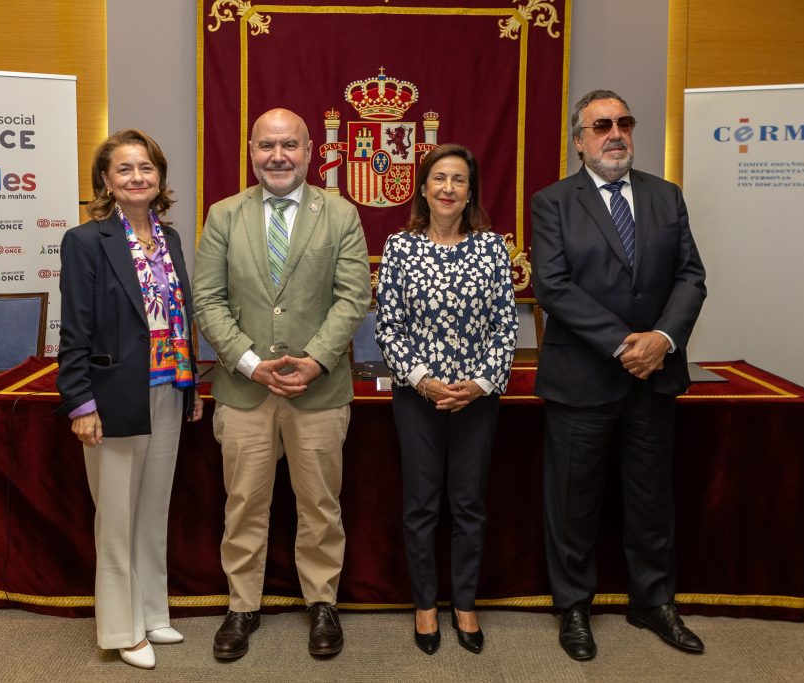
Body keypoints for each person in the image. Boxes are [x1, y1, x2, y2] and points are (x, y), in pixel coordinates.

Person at [531, 90, 707, 661]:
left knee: (651, 496)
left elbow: (690, 277)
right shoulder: (553, 201)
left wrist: (661, 339)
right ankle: (574, 606)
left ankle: (652, 602)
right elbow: (553, 286)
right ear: (578, 140)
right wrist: (621, 343)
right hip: (583, 377)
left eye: (624, 123)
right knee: (573, 500)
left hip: (654, 375)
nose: (615, 134)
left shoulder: (665, 195)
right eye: (601, 125)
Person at [193, 107, 371, 659]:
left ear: (310, 149)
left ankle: (322, 603)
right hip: (245, 390)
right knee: (244, 503)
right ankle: (242, 607)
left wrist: (315, 360)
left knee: (320, 504)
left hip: (317, 391)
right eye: (267, 146)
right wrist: (249, 362)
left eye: (289, 145)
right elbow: (207, 299)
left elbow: (353, 297)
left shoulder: (340, 214)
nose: (277, 156)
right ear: (251, 152)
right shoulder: (223, 216)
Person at [56, 129, 203, 670]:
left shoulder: (170, 237)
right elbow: (75, 330)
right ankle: (120, 628)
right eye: (124, 169)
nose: (137, 177)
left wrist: (190, 386)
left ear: (159, 177)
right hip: (114, 396)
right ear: (106, 181)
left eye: (146, 167)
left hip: (169, 390)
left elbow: (180, 319)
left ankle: (151, 610)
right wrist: (81, 404)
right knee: (115, 517)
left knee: (152, 509)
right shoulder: (86, 240)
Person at [376, 144, 518, 655]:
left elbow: (506, 326)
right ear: (423, 187)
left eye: (459, 180)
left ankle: (464, 603)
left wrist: (479, 383)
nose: (448, 188)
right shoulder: (399, 247)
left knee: (469, 505)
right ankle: (425, 605)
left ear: (470, 191)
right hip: (419, 398)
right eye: (439, 178)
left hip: (477, 399)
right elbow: (388, 326)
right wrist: (423, 379)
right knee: (420, 506)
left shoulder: (491, 248)